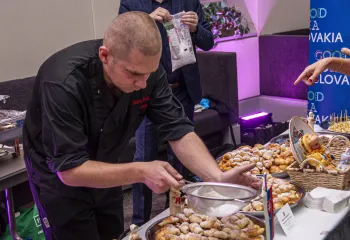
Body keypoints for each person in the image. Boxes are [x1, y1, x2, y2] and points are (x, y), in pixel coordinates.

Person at [23, 12, 261, 240]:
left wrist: (216, 177)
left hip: (107, 164)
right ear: (105, 56)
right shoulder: (63, 83)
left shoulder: (148, 73)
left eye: (149, 74)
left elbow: (178, 129)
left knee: (112, 231)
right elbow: (69, 170)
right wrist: (141, 171)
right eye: (134, 74)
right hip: (58, 177)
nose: (142, 83)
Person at [119, 0, 214, 226]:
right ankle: (140, 221)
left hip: (183, 90)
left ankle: (176, 212)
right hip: (147, 94)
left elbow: (209, 41)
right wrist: (145, 22)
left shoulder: (190, 1)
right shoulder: (131, 3)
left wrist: (196, 29)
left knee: (180, 157)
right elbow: (120, 41)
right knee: (144, 157)